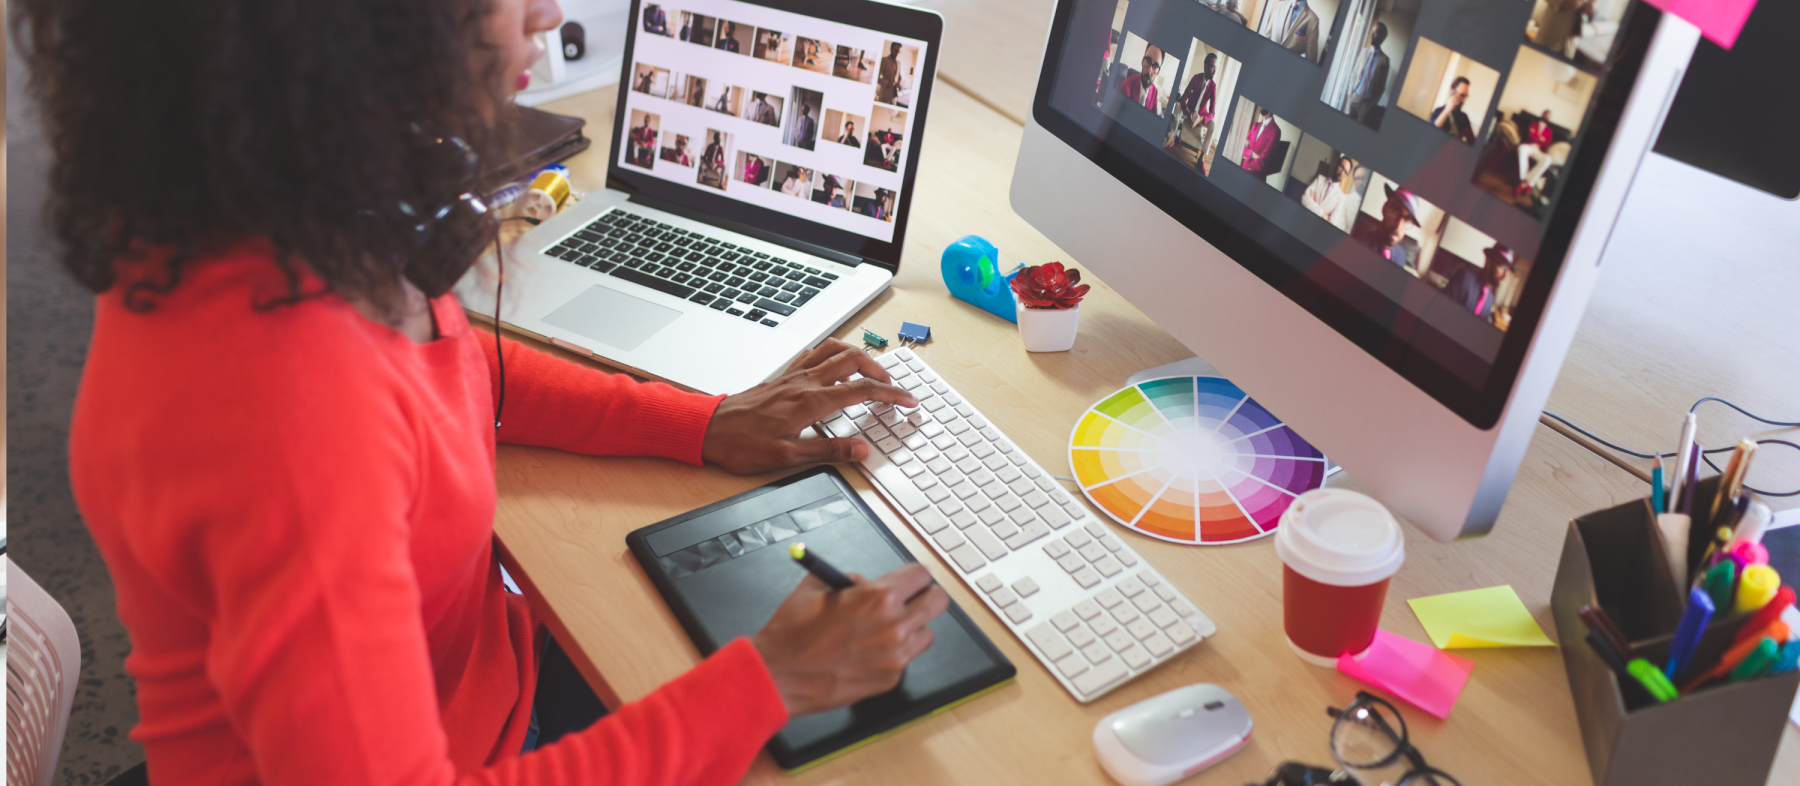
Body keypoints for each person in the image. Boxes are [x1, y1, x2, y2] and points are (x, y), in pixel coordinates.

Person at [22, 0, 953, 782]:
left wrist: (698, 421)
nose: (548, 13)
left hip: (482, 675)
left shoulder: (254, 213)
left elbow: (446, 362)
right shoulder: (287, 412)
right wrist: (772, 686)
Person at [1351, 184, 1423, 270]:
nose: (1398, 225)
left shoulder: (1402, 255)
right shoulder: (1358, 245)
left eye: (1407, 219)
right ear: (1384, 208)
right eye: (1395, 210)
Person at [1447, 244, 1514, 321]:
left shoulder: (1490, 299)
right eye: (1502, 265)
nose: (1504, 275)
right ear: (1489, 261)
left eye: (1506, 269)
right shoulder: (1464, 278)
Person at [1300, 154, 1361, 232]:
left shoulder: (1341, 197)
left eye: (1345, 172)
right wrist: (1324, 214)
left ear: (1346, 176)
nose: (1342, 172)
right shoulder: (1320, 179)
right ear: (1337, 165)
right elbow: (1304, 199)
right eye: (1341, 167)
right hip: (1303, 221)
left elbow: (1331, 224)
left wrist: (1312, 202)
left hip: (1317, 231)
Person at [1344, 22, 1390, 125]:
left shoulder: (1384, 60)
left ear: (1382, 36)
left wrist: (1371, 105)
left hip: (1367, 104)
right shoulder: (1363, 52)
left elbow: (1381, 87)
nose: (1372, 34)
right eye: (1372, 31)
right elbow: (1354, 74)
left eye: (1376, 32)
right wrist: (1351, 94)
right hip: (1354, 98)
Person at [1175, 53, 1219, 154]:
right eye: (1213, 67)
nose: (1215, 71)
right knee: (1177, 106)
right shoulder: (1196, 78)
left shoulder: (1213, 86)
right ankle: (1171, 138)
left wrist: (1201, 119)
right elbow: (1183, 99)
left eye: (1215, 68)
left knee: (1213, 124)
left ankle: (1202, 156)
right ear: (1206, 66)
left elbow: (1212, 113)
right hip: (1188, 111)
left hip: (1201, 117)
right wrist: (1187, 112)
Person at [1516, 109, 1557, 199]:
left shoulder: (1549, 131)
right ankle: (1523, 180)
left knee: (1548, 159)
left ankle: (1528, 183)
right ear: (1542, 114)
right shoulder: (1533, 124)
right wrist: (1541, 139)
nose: (1546, 116)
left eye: (1548, 116)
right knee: (1521, 148)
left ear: (1549, 118)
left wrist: (1538, 138)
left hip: (1539, 151)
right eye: (1545, 114)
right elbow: (1530, 135)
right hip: (1529, 146)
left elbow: (1547, 143)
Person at [1530, 0, 1595, 55]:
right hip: (1552, 30)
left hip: (1571, 40)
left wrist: (1589, 6)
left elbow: (1590, 9)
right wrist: (1563, 2)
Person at [1430, 76, 1476, 143]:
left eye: (1466, 96)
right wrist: (1447, 110)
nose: (1464, 100)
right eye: (1462, 95)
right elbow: (1431, 131)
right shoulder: (1438, 111)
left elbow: (1472, 142)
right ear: (1452, 91)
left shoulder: (1464, 117)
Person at [1119, 45, 1163, 112]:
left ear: (1158, 73)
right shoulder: (1126, 85)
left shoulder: (1155, 92)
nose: (1149, 71)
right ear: (1142, 62)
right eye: (1148, 61)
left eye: (1155, 66)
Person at [1240, 106, 1280, 178]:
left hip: (1256, 176)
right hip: (1243, 170)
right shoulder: (1255, 125)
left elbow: (1262, 163)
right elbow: (1242, 148)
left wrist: (1247, 157)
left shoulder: (1275, 131)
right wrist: (1252, 154)